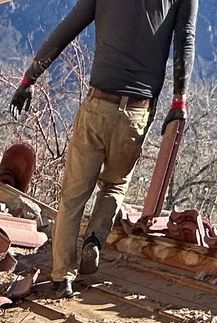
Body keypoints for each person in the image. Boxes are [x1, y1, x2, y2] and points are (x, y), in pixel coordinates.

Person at [10, 0, 197, 299]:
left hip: (99, 104)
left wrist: (29, 78)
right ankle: (94, 240)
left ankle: (62, 277)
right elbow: (184, 41)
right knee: (115, 184)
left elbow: (67, 29)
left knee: (73, 195)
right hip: (137, 111)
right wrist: (179, 102)